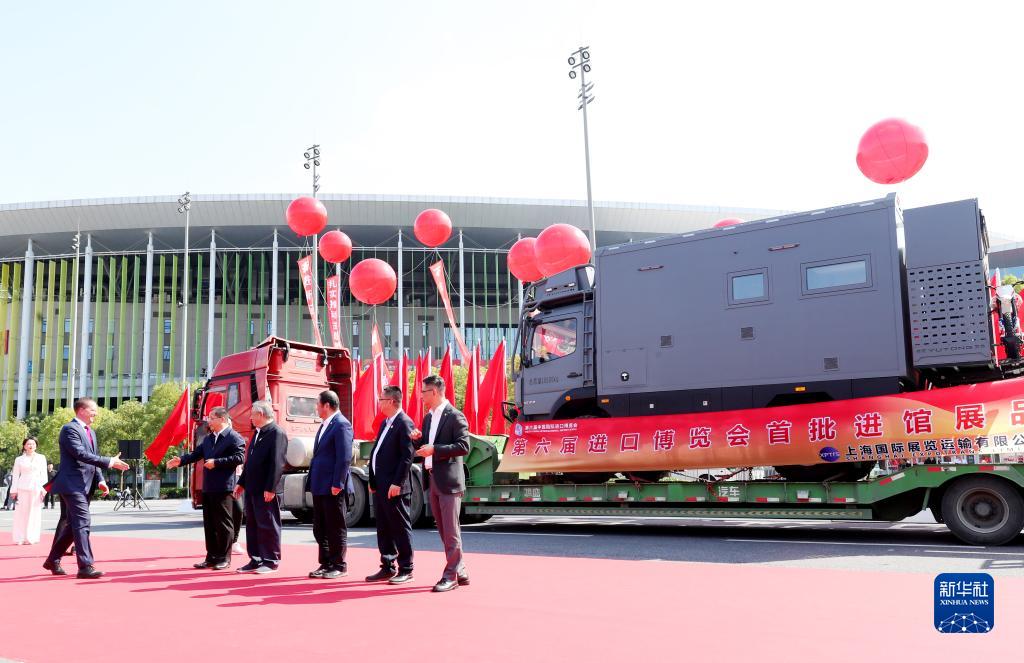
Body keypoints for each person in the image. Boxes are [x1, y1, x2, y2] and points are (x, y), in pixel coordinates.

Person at [43, 398, 130, 579]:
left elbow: (93, 458)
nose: (95, 414)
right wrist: (110, 461)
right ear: (81, 410)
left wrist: (100, 480)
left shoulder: (91, 432)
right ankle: (85, 566)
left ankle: (52, 559)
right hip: (72, 484)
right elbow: (80, 454)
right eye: (93, 410)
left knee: (73, 526)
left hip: (86, 485)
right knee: (83, 521)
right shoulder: (69, 429)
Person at [166, 406, 245, 570]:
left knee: (223, 524)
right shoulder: (209, 439)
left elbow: (239, 458)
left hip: (224, 487)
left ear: (222, 419)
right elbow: (196, 454)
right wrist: (180, 461)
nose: (209, 421)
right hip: (208, 487)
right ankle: (211, 557)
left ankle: (224, 558)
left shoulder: (234, 437)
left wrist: (216, 462)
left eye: (212, 418)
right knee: (210, 524)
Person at [413, 374, 471, 592]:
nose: (421, 396)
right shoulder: (428, 418)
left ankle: (450, 576)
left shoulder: (455, 416)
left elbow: (463, 446)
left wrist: (435, 449)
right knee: (444, 531)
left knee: (451, 531)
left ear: (435, 392)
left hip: (449, 481)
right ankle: (460, 569)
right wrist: (417, 440)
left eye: (423, 392)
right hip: (432, 479)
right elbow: (426, 446)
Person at [366, 385, 416, 584]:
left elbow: (407, 457)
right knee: (384, 527)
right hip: (381, 485)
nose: (379, 403)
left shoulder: (404, 423)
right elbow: (377, 452)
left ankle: (406, 568)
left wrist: (397, 483)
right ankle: (387, 565)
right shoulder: (385, 423)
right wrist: (372, 479)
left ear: (392, 401)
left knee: (400, 527)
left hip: (394, 487)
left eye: (381, 399)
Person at [234, 400, 287, 574]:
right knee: (253, 524)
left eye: (253, 414)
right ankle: (256, 558)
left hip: (265, 489)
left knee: (268, 524)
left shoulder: (276, 433)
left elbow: (277, 463)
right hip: (252, 488)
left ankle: (271, 560)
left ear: (261, 415)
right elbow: (250, 462)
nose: (250, 417)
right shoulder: (257, 433)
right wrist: (241, 483)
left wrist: (271, 488)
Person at [306, 390, 354, 580]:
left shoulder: (342, 424)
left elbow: (344, 457)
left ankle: (339, 565)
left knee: (335, 527)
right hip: (320, 485)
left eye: (318, 404)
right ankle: (326, 563)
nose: (316, 408)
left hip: (333, 486)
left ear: (327, 405)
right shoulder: (325, 424)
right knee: (320, 527)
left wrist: (338, 483)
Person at [11, 438, 47, 544]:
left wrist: (44, 489)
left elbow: (44, 475)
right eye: (28, 444)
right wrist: (13, 490)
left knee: (35, 513)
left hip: (36, 488)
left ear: (36, 445)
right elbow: (15, 475)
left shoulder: (41, 458)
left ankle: (32, 537)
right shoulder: (19, 459)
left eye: (33, 444)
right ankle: (20, 537)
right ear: (24, 446)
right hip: (22, 488)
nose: (31, 446)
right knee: (21, 513)